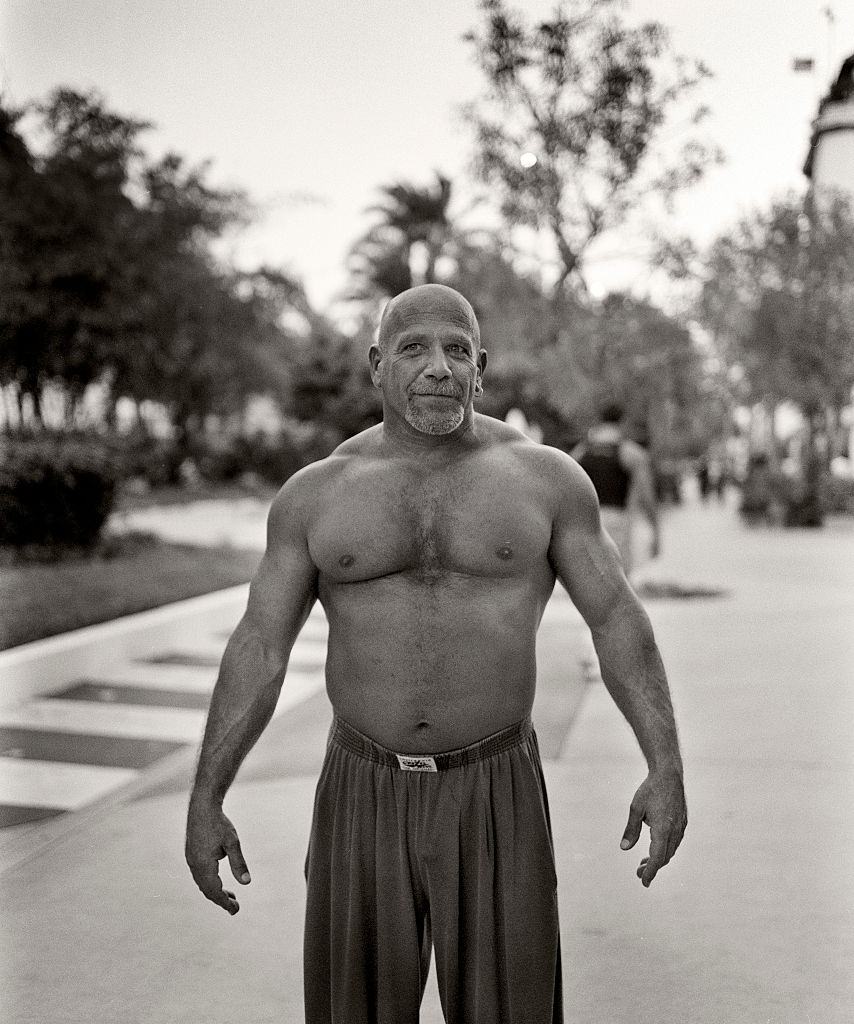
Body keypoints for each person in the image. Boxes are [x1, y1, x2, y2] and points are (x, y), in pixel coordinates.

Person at [185, 285, 687, 1024]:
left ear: (480, 368)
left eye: (457, 350)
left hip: (495, 787)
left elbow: (616, 619)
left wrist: (665, 765)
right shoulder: (316, 496)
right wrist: (206, 797)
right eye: (414, 347)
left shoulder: (545, 481)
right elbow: (261, 646)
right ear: (377, 363)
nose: (438, 367)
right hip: (362, 787)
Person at [572, 404, 660, 578]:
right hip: (618, 522)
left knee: (590, 582)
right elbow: (646, 496)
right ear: (623, 422)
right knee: (619, 581)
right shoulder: (631, 454)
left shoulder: (581, 452)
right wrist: (656, 529)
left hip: (587, 522)